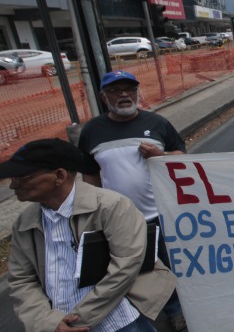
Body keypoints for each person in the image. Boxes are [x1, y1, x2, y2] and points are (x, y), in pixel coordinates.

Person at [5, 138, 176, 332]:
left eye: (23, 177)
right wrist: (48, 323)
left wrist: (75, 322)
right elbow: (22, 279)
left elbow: (126, 267)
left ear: (59, 176)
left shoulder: (110, 206)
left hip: (117, 324)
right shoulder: (24, 223)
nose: (13, 185)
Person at [77, 70, 187, 331]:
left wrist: (159, 155)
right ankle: (137, 316)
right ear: (104, 97)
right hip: (118, 220)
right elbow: (90, 173)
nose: (124, 94)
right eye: (115, 90)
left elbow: (181, 155)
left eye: (129, 89)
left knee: (167, 267)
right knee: (127, 271)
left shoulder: (157, 123)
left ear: (138, 93)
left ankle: (176, 310)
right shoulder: (92, 130)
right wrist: (93, 213)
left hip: (158, 214)